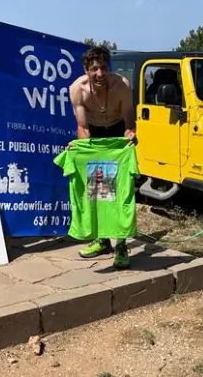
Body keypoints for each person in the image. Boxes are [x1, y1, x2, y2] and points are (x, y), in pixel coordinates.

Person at [67, 45, 136, 266]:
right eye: (94, 69)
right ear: (86, 69)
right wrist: (81, 149)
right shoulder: (77, 89)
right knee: (100, 191)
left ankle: (122, 244)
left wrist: (130, 137)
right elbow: (82, 127)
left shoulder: (122, 86)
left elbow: (129, 123)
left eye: (104, 68)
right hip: (94, 135)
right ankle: (102, 240)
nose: (100, 74)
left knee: (120, 194)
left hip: (116, 134)